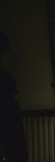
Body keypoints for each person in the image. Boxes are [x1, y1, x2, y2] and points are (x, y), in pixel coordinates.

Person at [0, 32, 28, 162]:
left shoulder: (5, 76)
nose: (5, 55)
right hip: (9, 124)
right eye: (4, 51)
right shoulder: (5, 78)